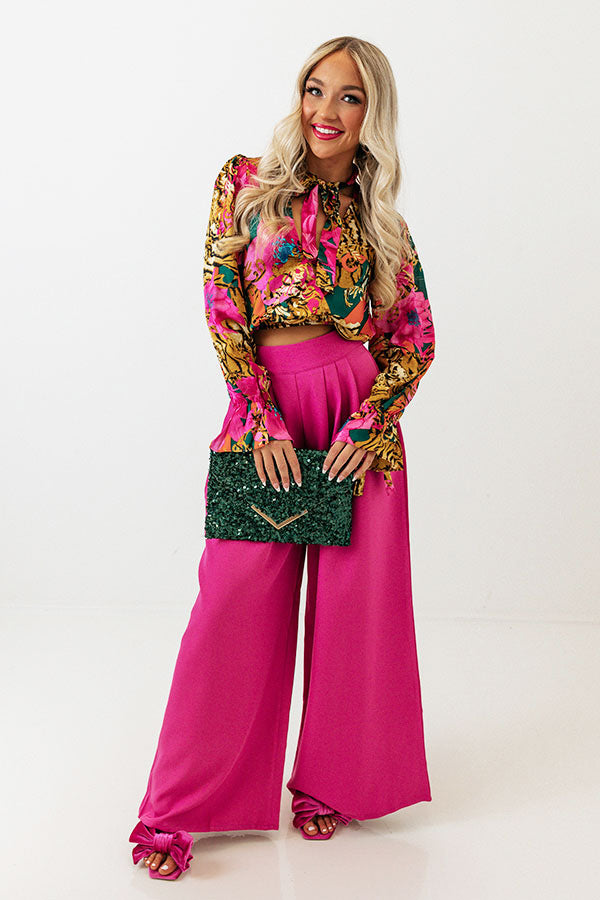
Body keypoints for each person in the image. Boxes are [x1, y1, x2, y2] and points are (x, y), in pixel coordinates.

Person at [128, 35, 436, 880]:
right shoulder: (246, 182)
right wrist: (257, 415)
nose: (325, 111)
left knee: (355, 611)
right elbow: (221, 301)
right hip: (264, 411)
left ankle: (331, 783)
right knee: (233, 603)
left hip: (354, 425)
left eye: (349, 97)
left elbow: (414, 340)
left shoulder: (383, 224)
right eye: (315, 88)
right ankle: (178, 808)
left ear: (372, 115)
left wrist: (367, 427)